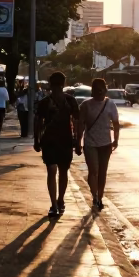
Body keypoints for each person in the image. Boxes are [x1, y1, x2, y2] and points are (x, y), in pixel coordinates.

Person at [34, 71, 80, 217]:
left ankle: (57, 202)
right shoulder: (69, 101)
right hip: (57, 141)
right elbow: (77, 122)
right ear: (63, 84)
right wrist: (78, 141)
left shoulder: (47, 102)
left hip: (55, 140)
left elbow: (37, 123)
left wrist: (36, 140)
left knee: (56, 171)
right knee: (57, 171)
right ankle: (56, 202)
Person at [78, 78, 120, 211]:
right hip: (90, 143)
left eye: (102, 89)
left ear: (105, 90)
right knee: (93, 171)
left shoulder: (110, 104)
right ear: (93, 91)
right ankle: (95, 196)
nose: (100, 92)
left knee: (102, 172)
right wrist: (78, 142)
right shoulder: (86, 105)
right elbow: (80, 125)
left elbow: (116, 123)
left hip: (106, 144)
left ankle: (100, 197)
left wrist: (116, 140)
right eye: (97, 89)